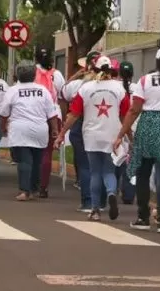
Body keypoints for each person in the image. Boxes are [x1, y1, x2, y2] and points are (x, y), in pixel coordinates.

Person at [57, 56, 130, 221]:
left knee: (95, 173)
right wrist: (128, 136)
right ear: (111, 70)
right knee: (109, 171)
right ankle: (111, 192)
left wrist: (62, 134)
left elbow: (74, 114)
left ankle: (95, 209)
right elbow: (126, 115)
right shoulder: (120, 89)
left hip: (91, 136)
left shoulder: (86, 88)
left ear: (94, 69)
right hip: (113, 135)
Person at [113, 46, 160, 233]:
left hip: (147, 124)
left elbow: (134, 110)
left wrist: (121, 134)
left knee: (143, 173)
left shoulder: (145, 80)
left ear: (156, 62)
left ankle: (143, 217)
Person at [0, 61, 61, 201]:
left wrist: (2, 127)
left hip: (19, 129)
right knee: (37, 161)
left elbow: (4, 113)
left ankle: (24, 190)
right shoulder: (43, 90)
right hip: (40, 130)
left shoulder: (13, 90)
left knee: (24, 161)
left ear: (17, 75)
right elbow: (52, 114)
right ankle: (34, 188)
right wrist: (55, 129)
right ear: (34, 75)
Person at [61, 56, 97, 212]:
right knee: (101, 166)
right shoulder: (114, 86)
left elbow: (63, 93)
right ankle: (103, 199)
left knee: (84, 165)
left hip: (80, 125)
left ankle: (88, 201)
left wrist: (63, 129)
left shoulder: (78, 85)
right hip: (103, 127)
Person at [34, 47, 66, 198]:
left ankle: (31, 183)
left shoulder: (32, 73)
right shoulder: (57, 74)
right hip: (54, 115)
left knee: (34, 151)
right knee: (47, 153)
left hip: (35, 114)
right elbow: (62, 96)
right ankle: (43, 187)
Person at [116, 60, 137, 204]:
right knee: (131, 161)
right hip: (134, 127)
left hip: (117, 127)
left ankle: (113, 187)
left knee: (117, 159)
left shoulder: (115, 87)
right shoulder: (137, 87)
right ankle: (129, 194)